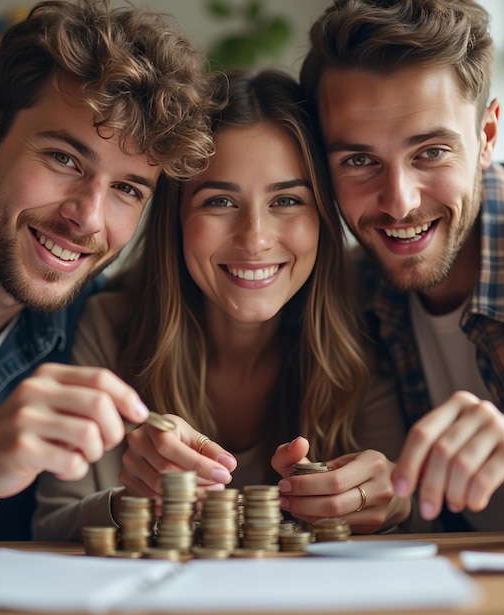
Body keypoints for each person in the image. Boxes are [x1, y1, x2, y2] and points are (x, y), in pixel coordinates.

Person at [32, 69, 420, 542]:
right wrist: (130, 506)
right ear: (175, 219)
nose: (254, 238)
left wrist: (395, 499)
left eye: (287, 200)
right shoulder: (110, 325)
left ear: (323, 216)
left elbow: (417, 516)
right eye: (219, 201)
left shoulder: (366, 325)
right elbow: (49, 527)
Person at [0, 0, 220, 549]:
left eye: (128, 188)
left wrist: (137, 501)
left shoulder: (92, 316)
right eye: (64, 160)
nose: (88, 218)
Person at [300, 0, 504, 528]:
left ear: (487, 137)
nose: (399, 202)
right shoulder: (356, 289)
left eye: (430, 152)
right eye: (359, 161)